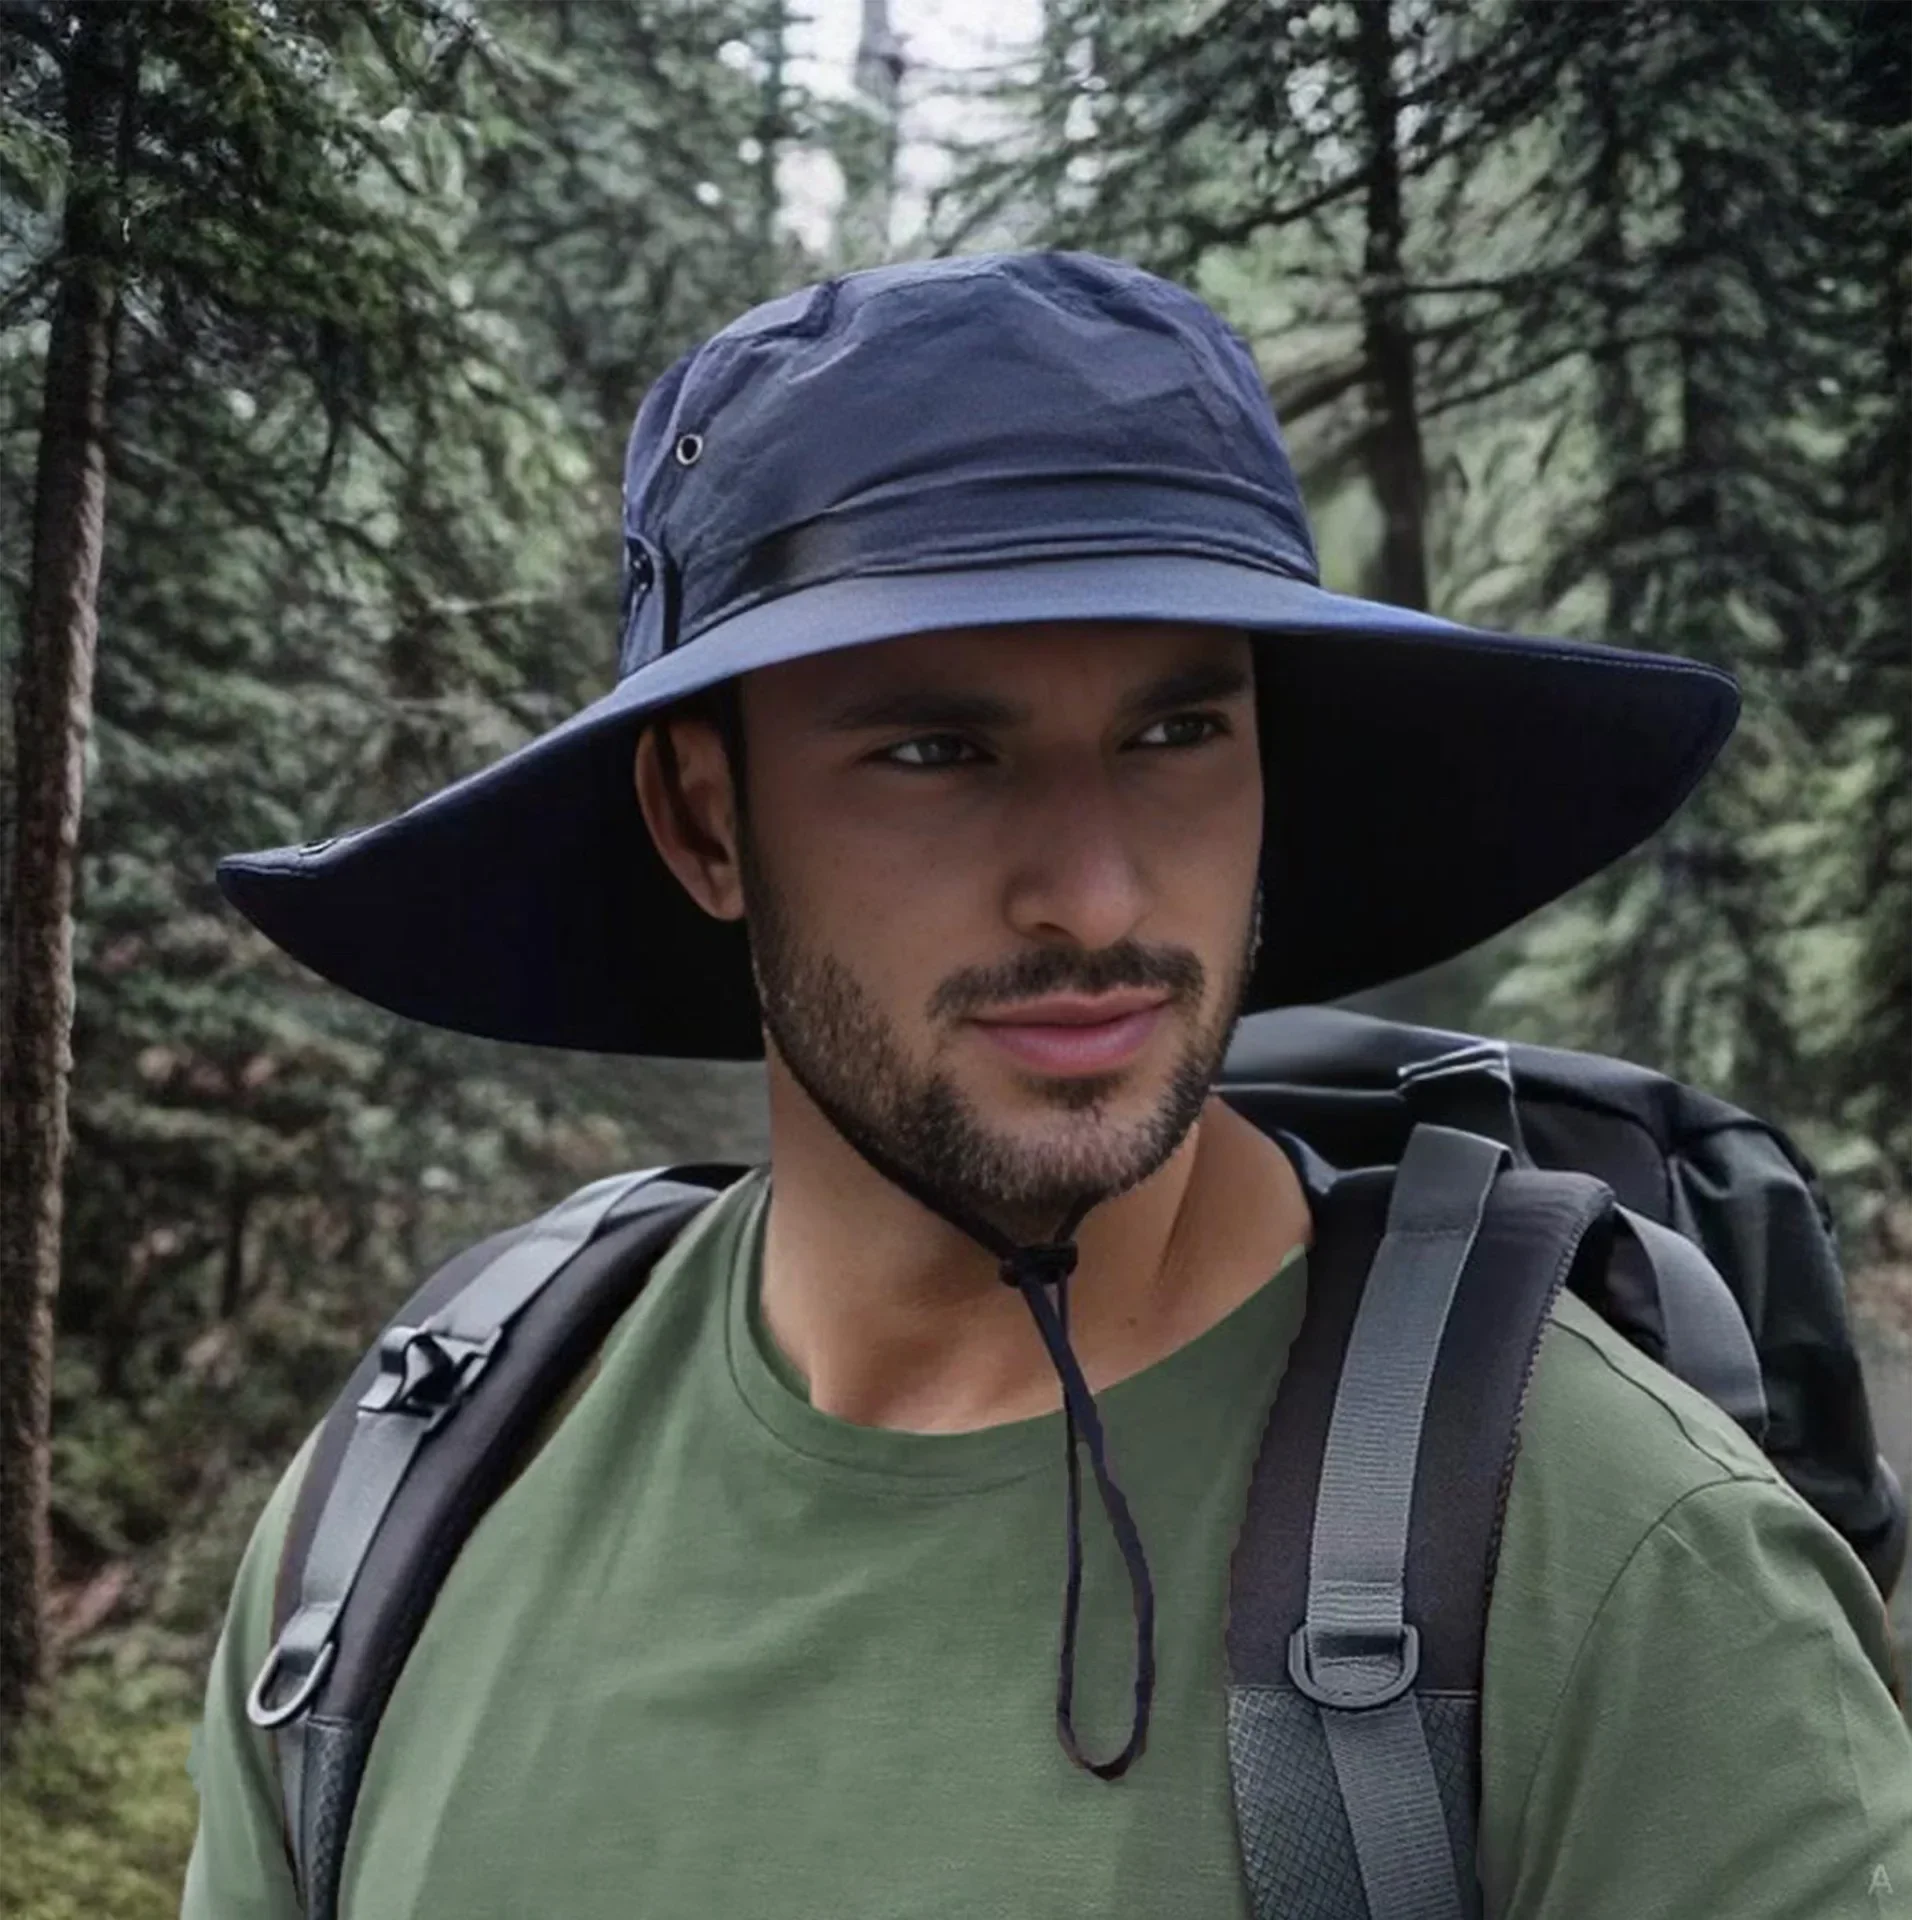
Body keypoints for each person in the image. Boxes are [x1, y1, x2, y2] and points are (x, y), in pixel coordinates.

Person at [183, 251, 1912, 1919]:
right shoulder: (399, 1514)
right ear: (707, 820)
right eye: (937, 752)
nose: (1096, 897)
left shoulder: (1620, 1572)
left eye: (1177, 736)